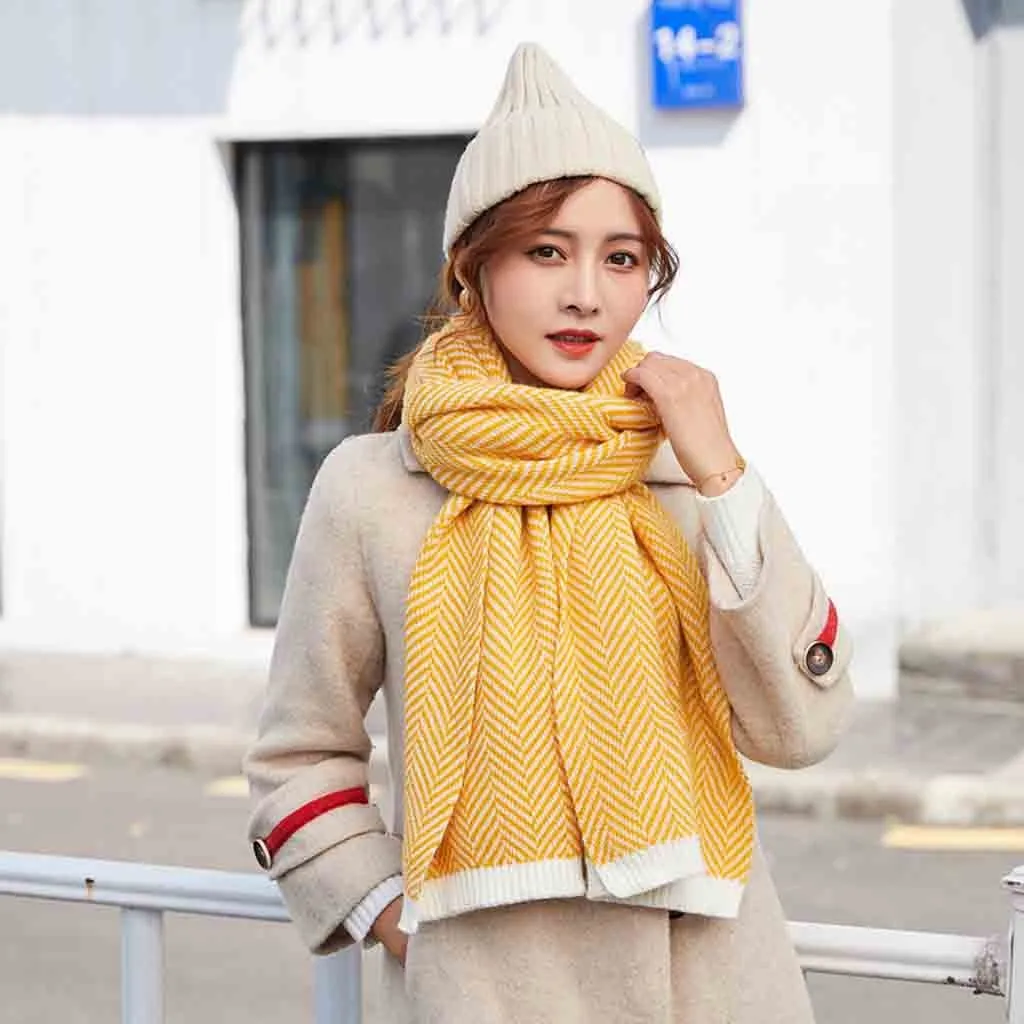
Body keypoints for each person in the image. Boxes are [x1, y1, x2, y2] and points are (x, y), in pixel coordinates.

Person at [244, 42, 853, 1024]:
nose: (586, 294)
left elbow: (801, 726)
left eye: (621, 258)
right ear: (472, 268)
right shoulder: (373, 489)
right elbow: (299, 751)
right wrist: (393, 917)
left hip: (711, 987)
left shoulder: (683, 466)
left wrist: (723, 475)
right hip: (491, 993)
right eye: (546, 251)